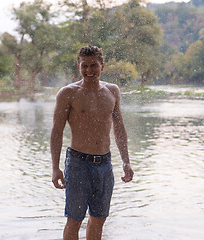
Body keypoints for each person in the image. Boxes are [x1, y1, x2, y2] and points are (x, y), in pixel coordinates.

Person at [51, 45, 134, 240]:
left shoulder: (112, 91)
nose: (89, 70)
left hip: (105, 165)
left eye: (94, 65)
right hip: (78, 163)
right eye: (84, 66)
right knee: (74, 219)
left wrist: (126, 161)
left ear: (102, 66)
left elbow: (119, 128)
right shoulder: (68, 93)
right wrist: (55, 168)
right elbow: (56, 131)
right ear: (78, 67)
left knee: (99, 219)